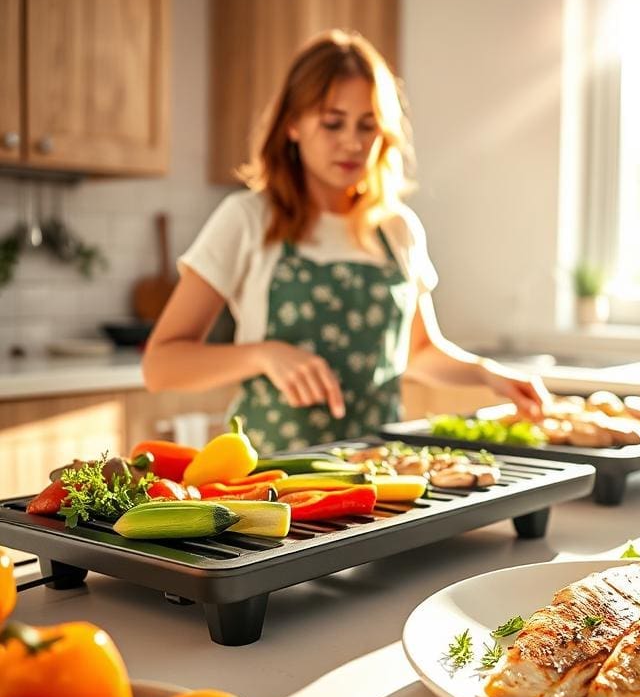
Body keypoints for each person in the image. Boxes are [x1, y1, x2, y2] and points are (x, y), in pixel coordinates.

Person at [142, 29, 548, 454]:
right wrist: (263, 355)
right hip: (274, 487)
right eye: (333, 123)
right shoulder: (248, 218)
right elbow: (161, 365)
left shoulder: (398, 230)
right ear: (293, 125)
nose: (353, 143)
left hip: (379, 478)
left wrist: (486, 372)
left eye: (367, 126)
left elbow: (420, 350)